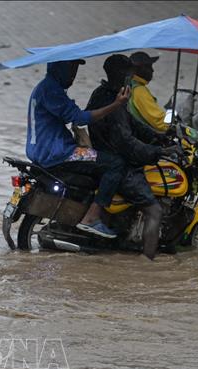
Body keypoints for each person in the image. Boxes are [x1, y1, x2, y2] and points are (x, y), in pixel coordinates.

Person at [26, 59, 131, 239]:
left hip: (40, 151)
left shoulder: (45, 87)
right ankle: (91, 217)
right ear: (60, 68)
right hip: (57, 153)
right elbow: (79, 118)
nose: (74, 75)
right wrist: (116, 104)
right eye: (71, 68)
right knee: (115, 164)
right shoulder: (51, 90)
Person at [86, 54, 176, 260]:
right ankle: (147, 261)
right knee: (154, 210)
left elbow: (134, 124)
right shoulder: (119, 98)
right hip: (120, 162)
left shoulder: (106, 93)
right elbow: (126, 141)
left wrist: (159, 138)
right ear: (121, 74)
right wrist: (158, 151)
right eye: (129, 73)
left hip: (110, 154)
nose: (131, 77)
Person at [128, 51, 169, 133]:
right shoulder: (139, 90)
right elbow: (159, 121)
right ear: (137, 69)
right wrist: (175, 127)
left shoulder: (129, 85)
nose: (152, 70)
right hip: (144, 139)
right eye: (149, 67)